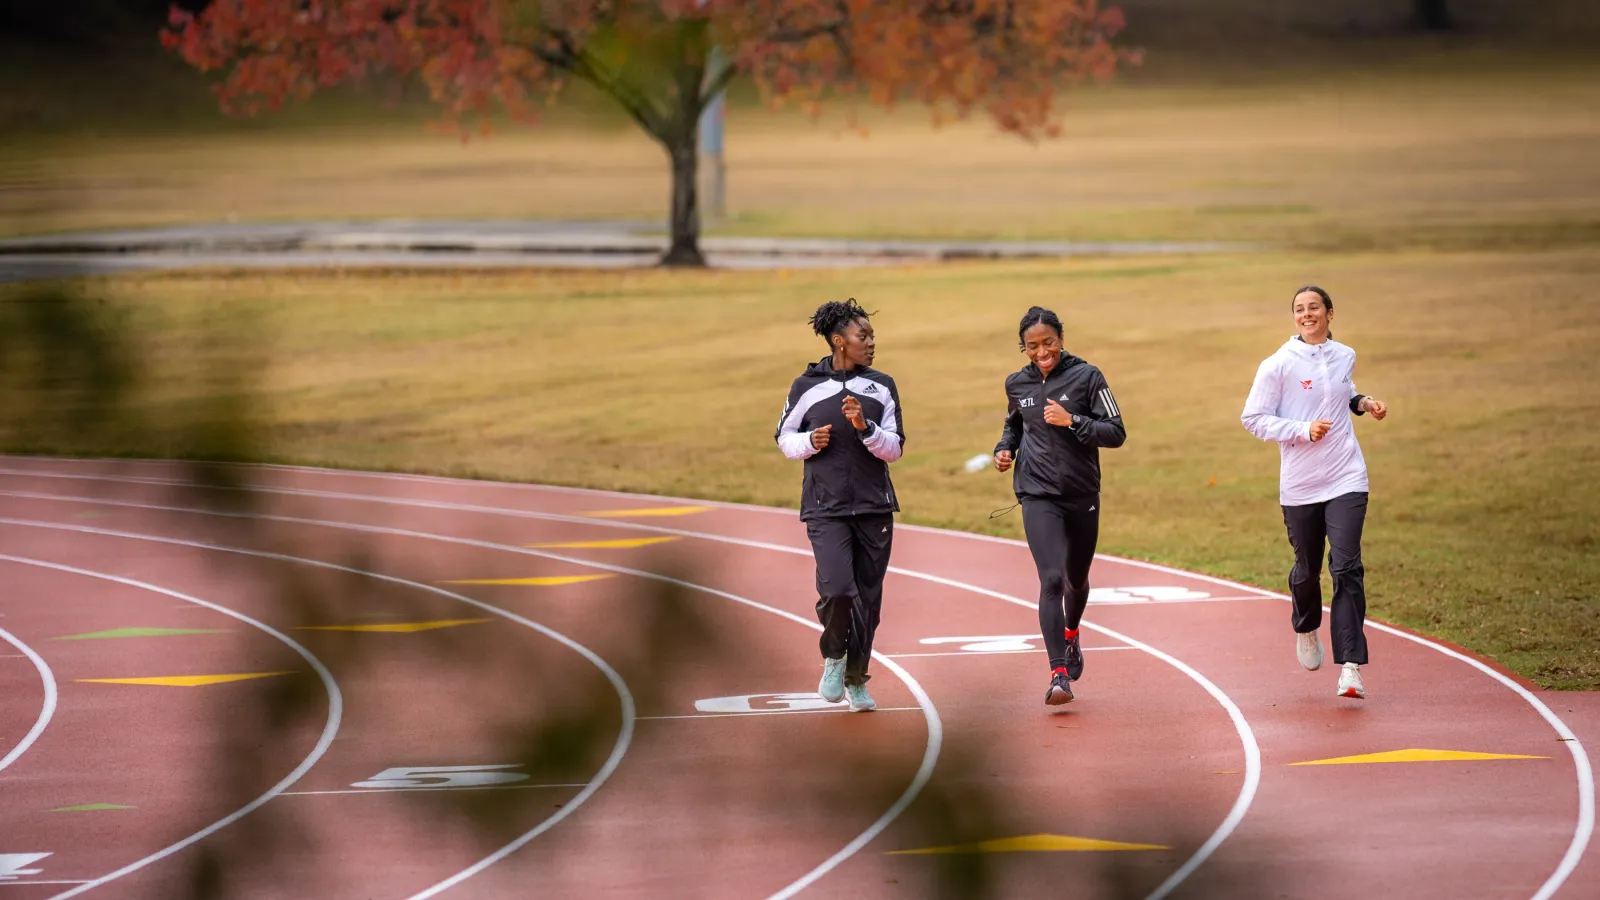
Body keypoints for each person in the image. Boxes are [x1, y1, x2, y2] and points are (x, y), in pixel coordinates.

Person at [1241, 285, 1389, 699]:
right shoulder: (1278, 365)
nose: (1307, 314)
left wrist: (1363, 403)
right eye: (1299, 309)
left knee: (1346, 568)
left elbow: (1340, 393)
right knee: (1307, 570)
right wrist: (1301, 430)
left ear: (1329, 313)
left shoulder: (1344, 354)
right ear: (1294, 318)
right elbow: (1253, 418)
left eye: (1314, 308)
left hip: (1346, 475)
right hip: (1301, 483)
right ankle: (1306, 627)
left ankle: (1351, 667)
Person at [774, 298, 905, 713]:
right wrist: (809, 443)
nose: (869, 343)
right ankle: (834, 657)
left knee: (868, 598)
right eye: (861, 336)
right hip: (825, 507)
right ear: (838, 341)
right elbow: (783, 437)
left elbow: (896, 448)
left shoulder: (882, 385)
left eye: (871, 337)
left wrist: (865, 428)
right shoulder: (806, 387)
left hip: (873, 508)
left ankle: (857, 677)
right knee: (837, 590)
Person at [993, 306, 1126, 706]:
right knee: (1051, 580)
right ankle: (1058, 674)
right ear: (1024, 348)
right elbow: (1014, 422)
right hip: (1037, 494)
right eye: (1032, 346)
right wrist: (1005, 449)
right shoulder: (1017, 383)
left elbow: (1116, 432)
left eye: (1048, 342)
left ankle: (1071, 634)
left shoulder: (1088, 377)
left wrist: (1073, 421)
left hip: (1082, 494)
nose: (1041, 351)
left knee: (1076, 581)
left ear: (1061, 339)